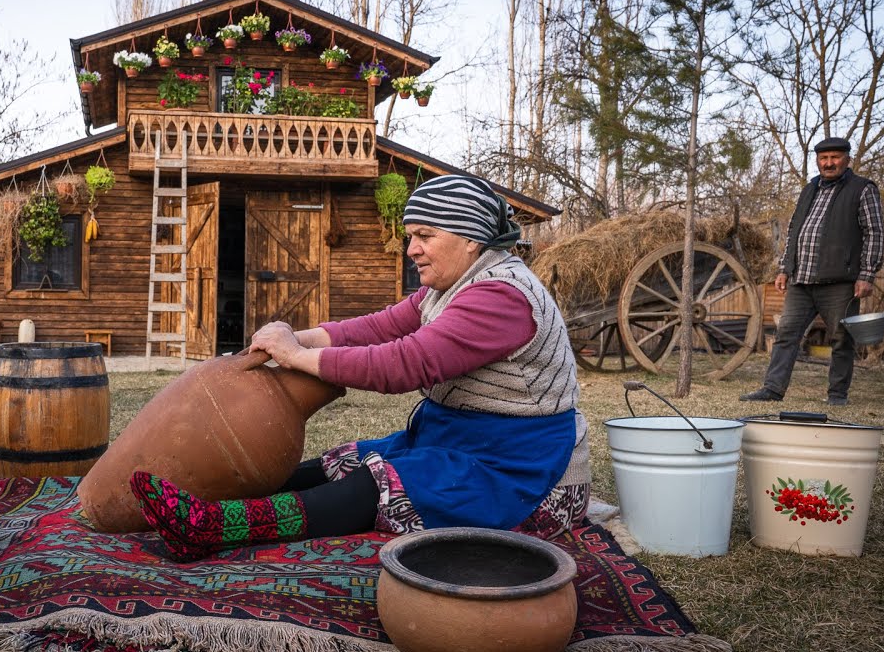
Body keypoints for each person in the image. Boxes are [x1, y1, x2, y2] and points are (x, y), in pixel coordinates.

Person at [129, 174, 591, 561]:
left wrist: (296, 357)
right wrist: (293, 338)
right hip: (460, 441)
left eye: (425, 236)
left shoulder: (500, 298)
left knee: (384, 483)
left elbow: (404, 363)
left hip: (522, 469)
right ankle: (217, 496)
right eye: (412, 235)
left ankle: (214, 526)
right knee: (343, 460)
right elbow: (378, 327)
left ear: (471, 239)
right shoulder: (449, 288)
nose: (411, 249)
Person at [740, 137, 884, 406]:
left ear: (847, 160)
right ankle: (772, 389)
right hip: (802, 280)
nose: (829, 163)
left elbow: (874, 232)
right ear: (817, 161)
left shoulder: (862, 189)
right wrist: (785, 268)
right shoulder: (810, 189)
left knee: (842, 339)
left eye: (835, 157)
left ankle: (837, 395)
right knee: (786, 335)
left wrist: (867, 274)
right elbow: (794, 230)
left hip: (839, 282)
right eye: (823, 158)